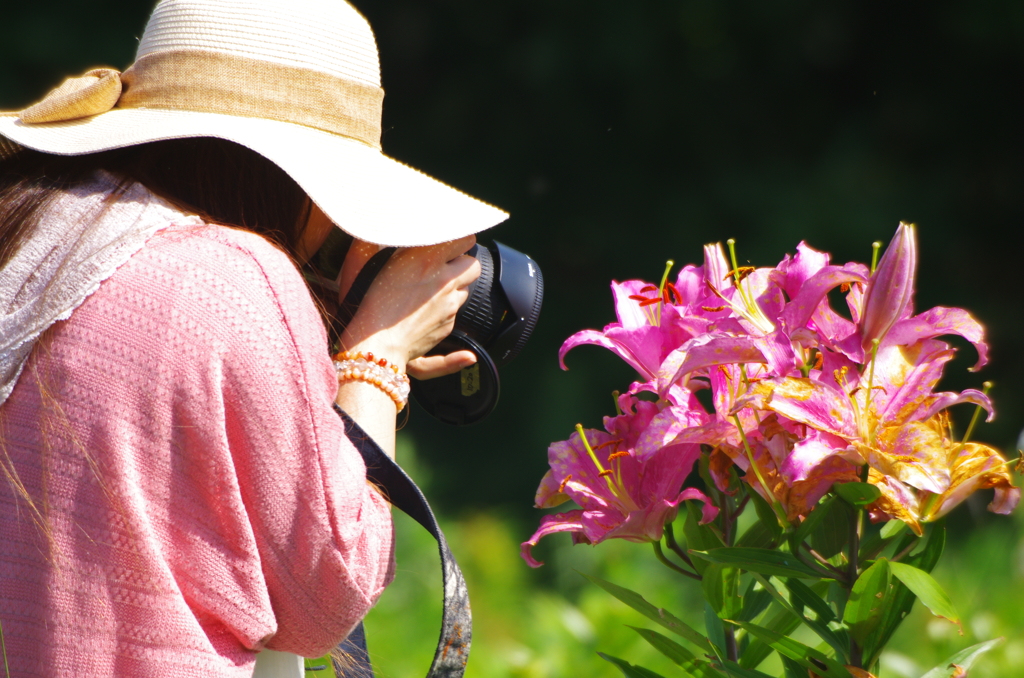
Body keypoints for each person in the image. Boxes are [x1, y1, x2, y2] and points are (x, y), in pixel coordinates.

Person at [0, 0, 507, 675]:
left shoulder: (30, 229)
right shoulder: (234, 278)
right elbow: (329, 597)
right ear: (294, 175)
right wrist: (378, 355)